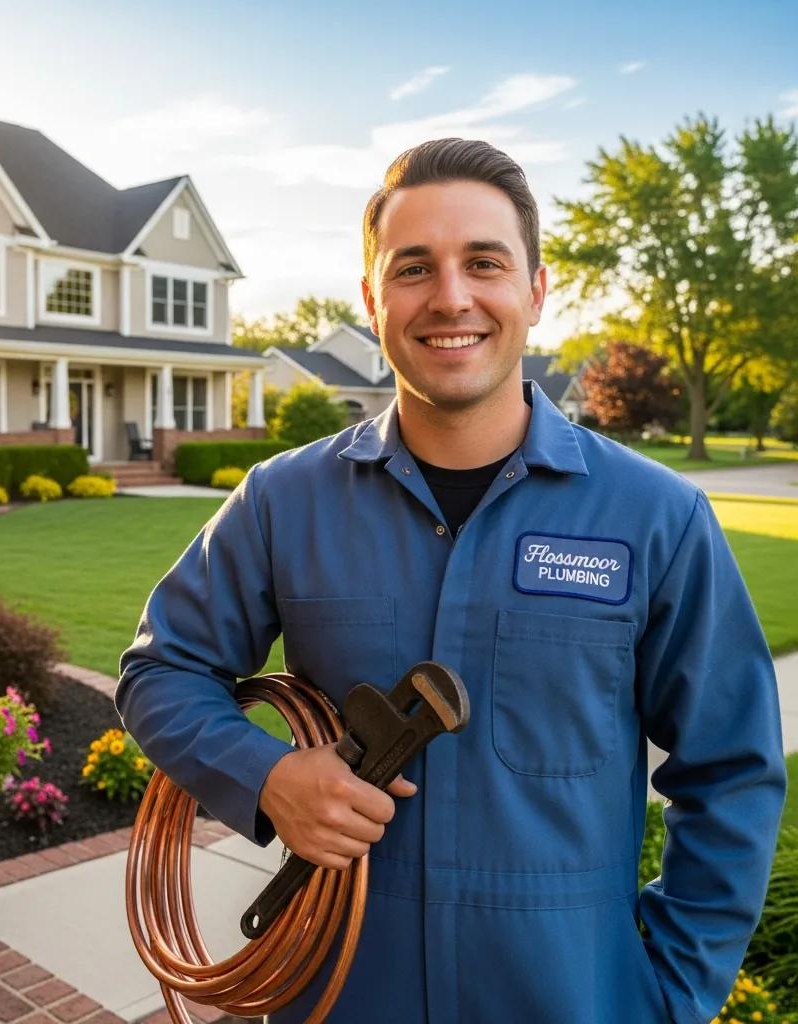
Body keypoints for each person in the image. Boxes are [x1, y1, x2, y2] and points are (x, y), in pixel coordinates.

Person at [116, 138, 786, 1024]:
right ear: (372, 301)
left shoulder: (657, 517)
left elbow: (733, 770)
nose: (451, 298)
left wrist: (670, 992)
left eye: (484, 263)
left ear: (536, 292)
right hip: (341, 997)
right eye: (413, 268)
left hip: (573, 1000)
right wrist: (267, 775)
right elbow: (160, 670)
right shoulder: (283, 501)